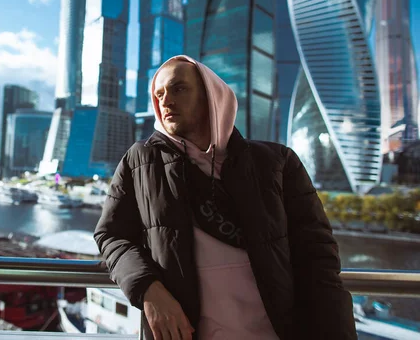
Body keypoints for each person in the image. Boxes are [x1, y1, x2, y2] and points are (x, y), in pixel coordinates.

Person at [94, 55, 356, 340]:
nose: (165, 101)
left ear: (210, 96)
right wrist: (148, 289)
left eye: (178, 89)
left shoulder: (276, 162)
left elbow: (317, 257)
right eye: (159, 94)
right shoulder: (140, 161)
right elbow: (111, 236)